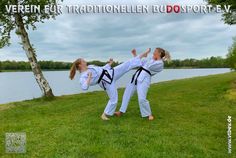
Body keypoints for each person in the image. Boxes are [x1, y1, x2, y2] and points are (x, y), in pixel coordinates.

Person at [69, 48, 151, 120]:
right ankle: (104, 115)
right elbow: (84, 87)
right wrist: (89, 77)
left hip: (111, 73)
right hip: (107, 82)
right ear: (80, 65)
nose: (85, 61)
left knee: (127, 64)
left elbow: (101, 69)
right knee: (114, 100)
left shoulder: (90, 66)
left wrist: (110, 64)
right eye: (83, 61)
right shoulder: (83, 77)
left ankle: (143, 54)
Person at [114, 48, 171, 121]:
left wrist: (152, 59)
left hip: (144, 79)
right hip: (136, 77)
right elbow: (140, 62)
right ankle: (121, 112)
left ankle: (149, 114)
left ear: (159, 53)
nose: (153, 52)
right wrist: (135, 54)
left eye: (155, 51)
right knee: (126, 94)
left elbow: (149, 66)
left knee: (142, 98)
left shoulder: (160, 64)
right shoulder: (151, 59)